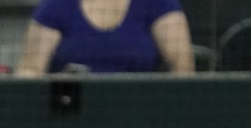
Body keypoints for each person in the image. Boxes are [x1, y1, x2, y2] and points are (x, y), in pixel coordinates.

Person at [16, 0, 194, 75]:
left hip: (138, 117)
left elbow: (183, 68)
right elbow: (30, 70)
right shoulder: (57, 5)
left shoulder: (157, 3)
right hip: (70, 116)